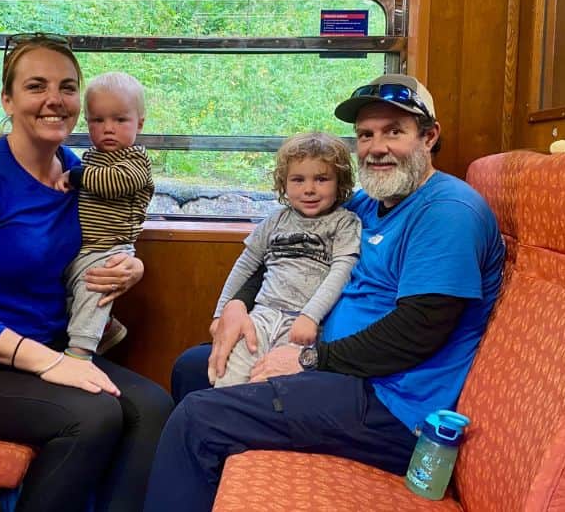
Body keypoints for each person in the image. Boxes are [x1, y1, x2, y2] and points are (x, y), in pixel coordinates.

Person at [144, 74, 505, 512]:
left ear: (428, 137)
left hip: (388, 405)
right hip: (338, 368)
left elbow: (420, 330)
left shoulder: (447, 212)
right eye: (366, 135)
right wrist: (238, 304)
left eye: (395, 131)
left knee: (196, 418)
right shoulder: (367, 204)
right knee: (192, 367)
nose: (377, 147)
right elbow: (290, 244)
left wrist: (307, 360)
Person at [0, 34, 173, 512]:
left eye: (67, 87)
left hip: (52, 348)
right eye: (36, 86)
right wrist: (52, 363)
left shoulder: (78, 171)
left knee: (153, 408)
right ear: (8, 100)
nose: (55, 99)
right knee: (92, 416)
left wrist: (131, 265)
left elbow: (103, 237)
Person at [210, 132, 360, 388]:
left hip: (302, 324)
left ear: (340, 182)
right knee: (226, 380)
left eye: (322, 179)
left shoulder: (345, 223)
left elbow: (342, 271)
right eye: (298, 180)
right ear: (284, 183)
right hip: (261, 316)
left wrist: (310, 316)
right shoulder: (275, 220)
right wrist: (221, 313)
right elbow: (246, 264)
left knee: (275, 387)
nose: (309, 189)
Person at [54, 71, 154, 356]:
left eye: (120, 120)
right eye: (98, 120)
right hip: (85, 247)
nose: (108, 128)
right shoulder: (91, 158)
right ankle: (107, 327)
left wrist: (76, 177)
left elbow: (113, 183)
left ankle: (81, 351)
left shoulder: (136, 161)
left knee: (92, 290)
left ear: (140, 123)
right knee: (70, 293)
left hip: (110, 248)